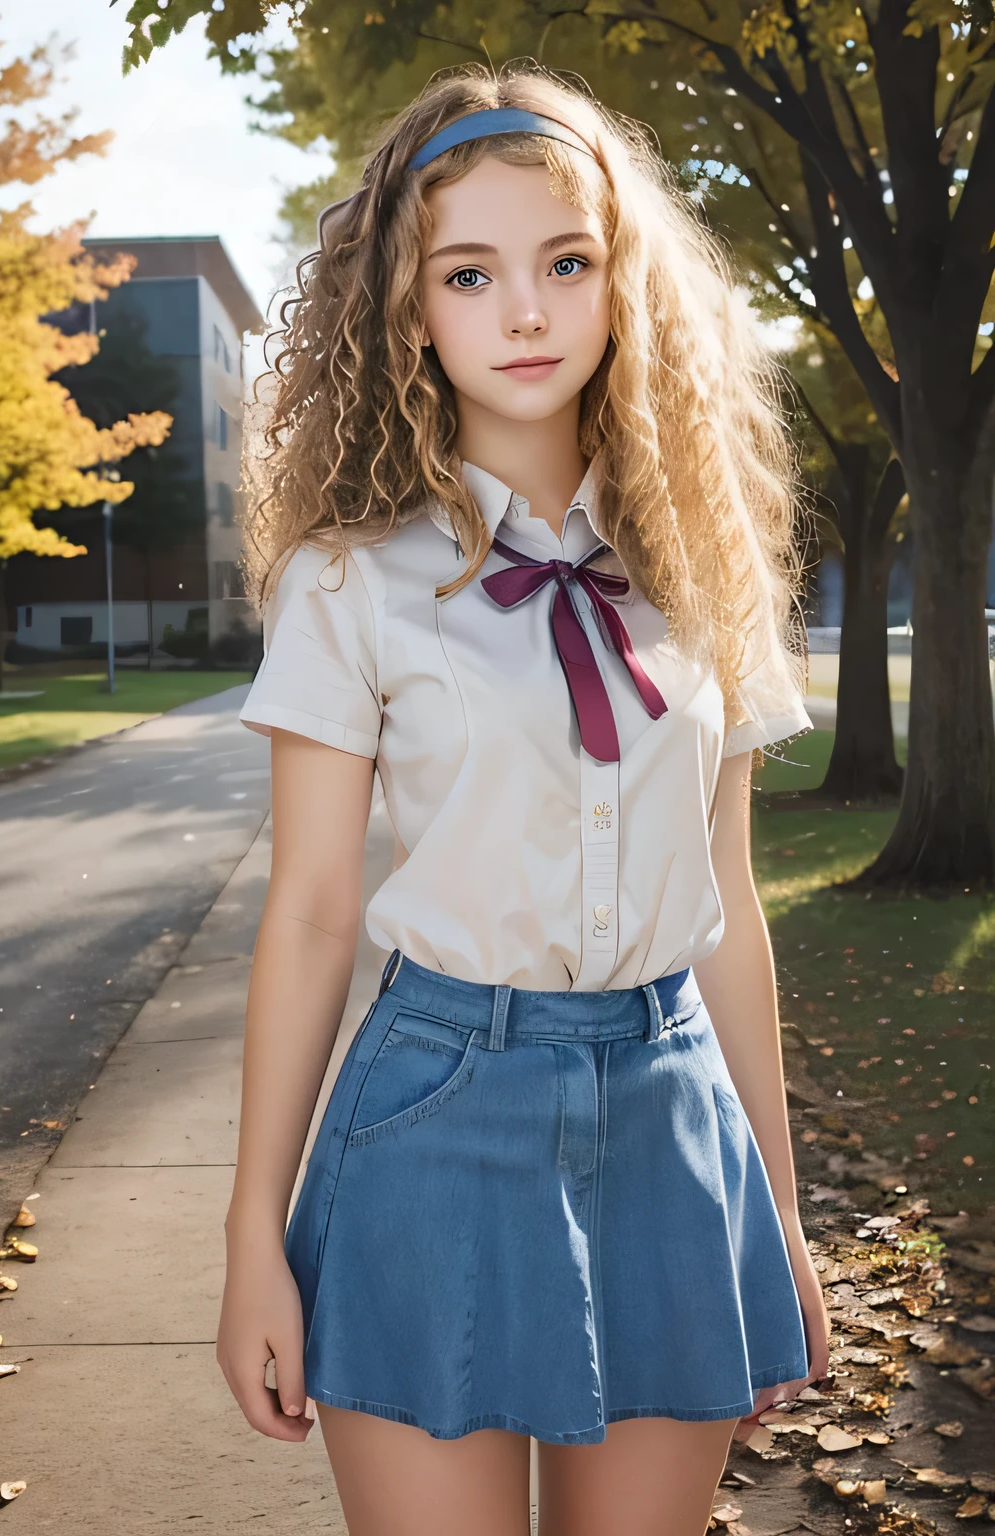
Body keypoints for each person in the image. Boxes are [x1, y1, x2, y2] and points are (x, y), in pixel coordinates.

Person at [218, 60, 830, 1536]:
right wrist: (253, 1230)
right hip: (433, 1117)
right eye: (471, 274)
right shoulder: (351, 580)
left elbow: (733, 913)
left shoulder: (704, 572)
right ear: (409, 311)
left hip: (674, 1122)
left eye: (566, 263)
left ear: (623, 284)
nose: (528, 311)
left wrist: (785, 1216)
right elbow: (308, 915)